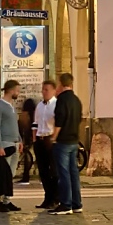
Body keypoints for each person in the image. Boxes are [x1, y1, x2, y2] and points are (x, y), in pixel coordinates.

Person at [49, 72, 83, 215]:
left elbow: (60, 120)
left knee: (63, 174)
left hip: (63, 141)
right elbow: (79, 119)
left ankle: (66, 204)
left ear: (61, 84)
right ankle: (77, 203)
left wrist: (54, 137)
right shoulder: (76, 100)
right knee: (74, 173)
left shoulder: (61, 100)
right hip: (74, 140)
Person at [0, 79, 22, 212]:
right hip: (5, 143)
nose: (18, 93)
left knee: (11, 174)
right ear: (10, 90)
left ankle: (7, 200)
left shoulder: (11, 106)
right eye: (17, 90)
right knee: (2, 174)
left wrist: (20, 140)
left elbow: (15, 125)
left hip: (14, 142)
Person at [33, 79, 58, 209]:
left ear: (53, 91)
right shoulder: (40, 105)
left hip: (50, 140)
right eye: (43, 89)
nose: (44, 92)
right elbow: (35, 123)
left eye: (47, 90)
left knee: (53, 171)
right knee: (43, 172)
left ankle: (55, 198)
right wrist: (34, 139)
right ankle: (47, 197)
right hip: (40, 139)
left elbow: (59, 124)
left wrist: (54, 138)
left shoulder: (56, 104)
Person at [18, 96, 37, 184]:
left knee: (27, 158)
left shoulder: (23, 116)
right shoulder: (36, 114)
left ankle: (26, 176)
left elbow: (21, 128)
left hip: (27, 138)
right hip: (36, 137)